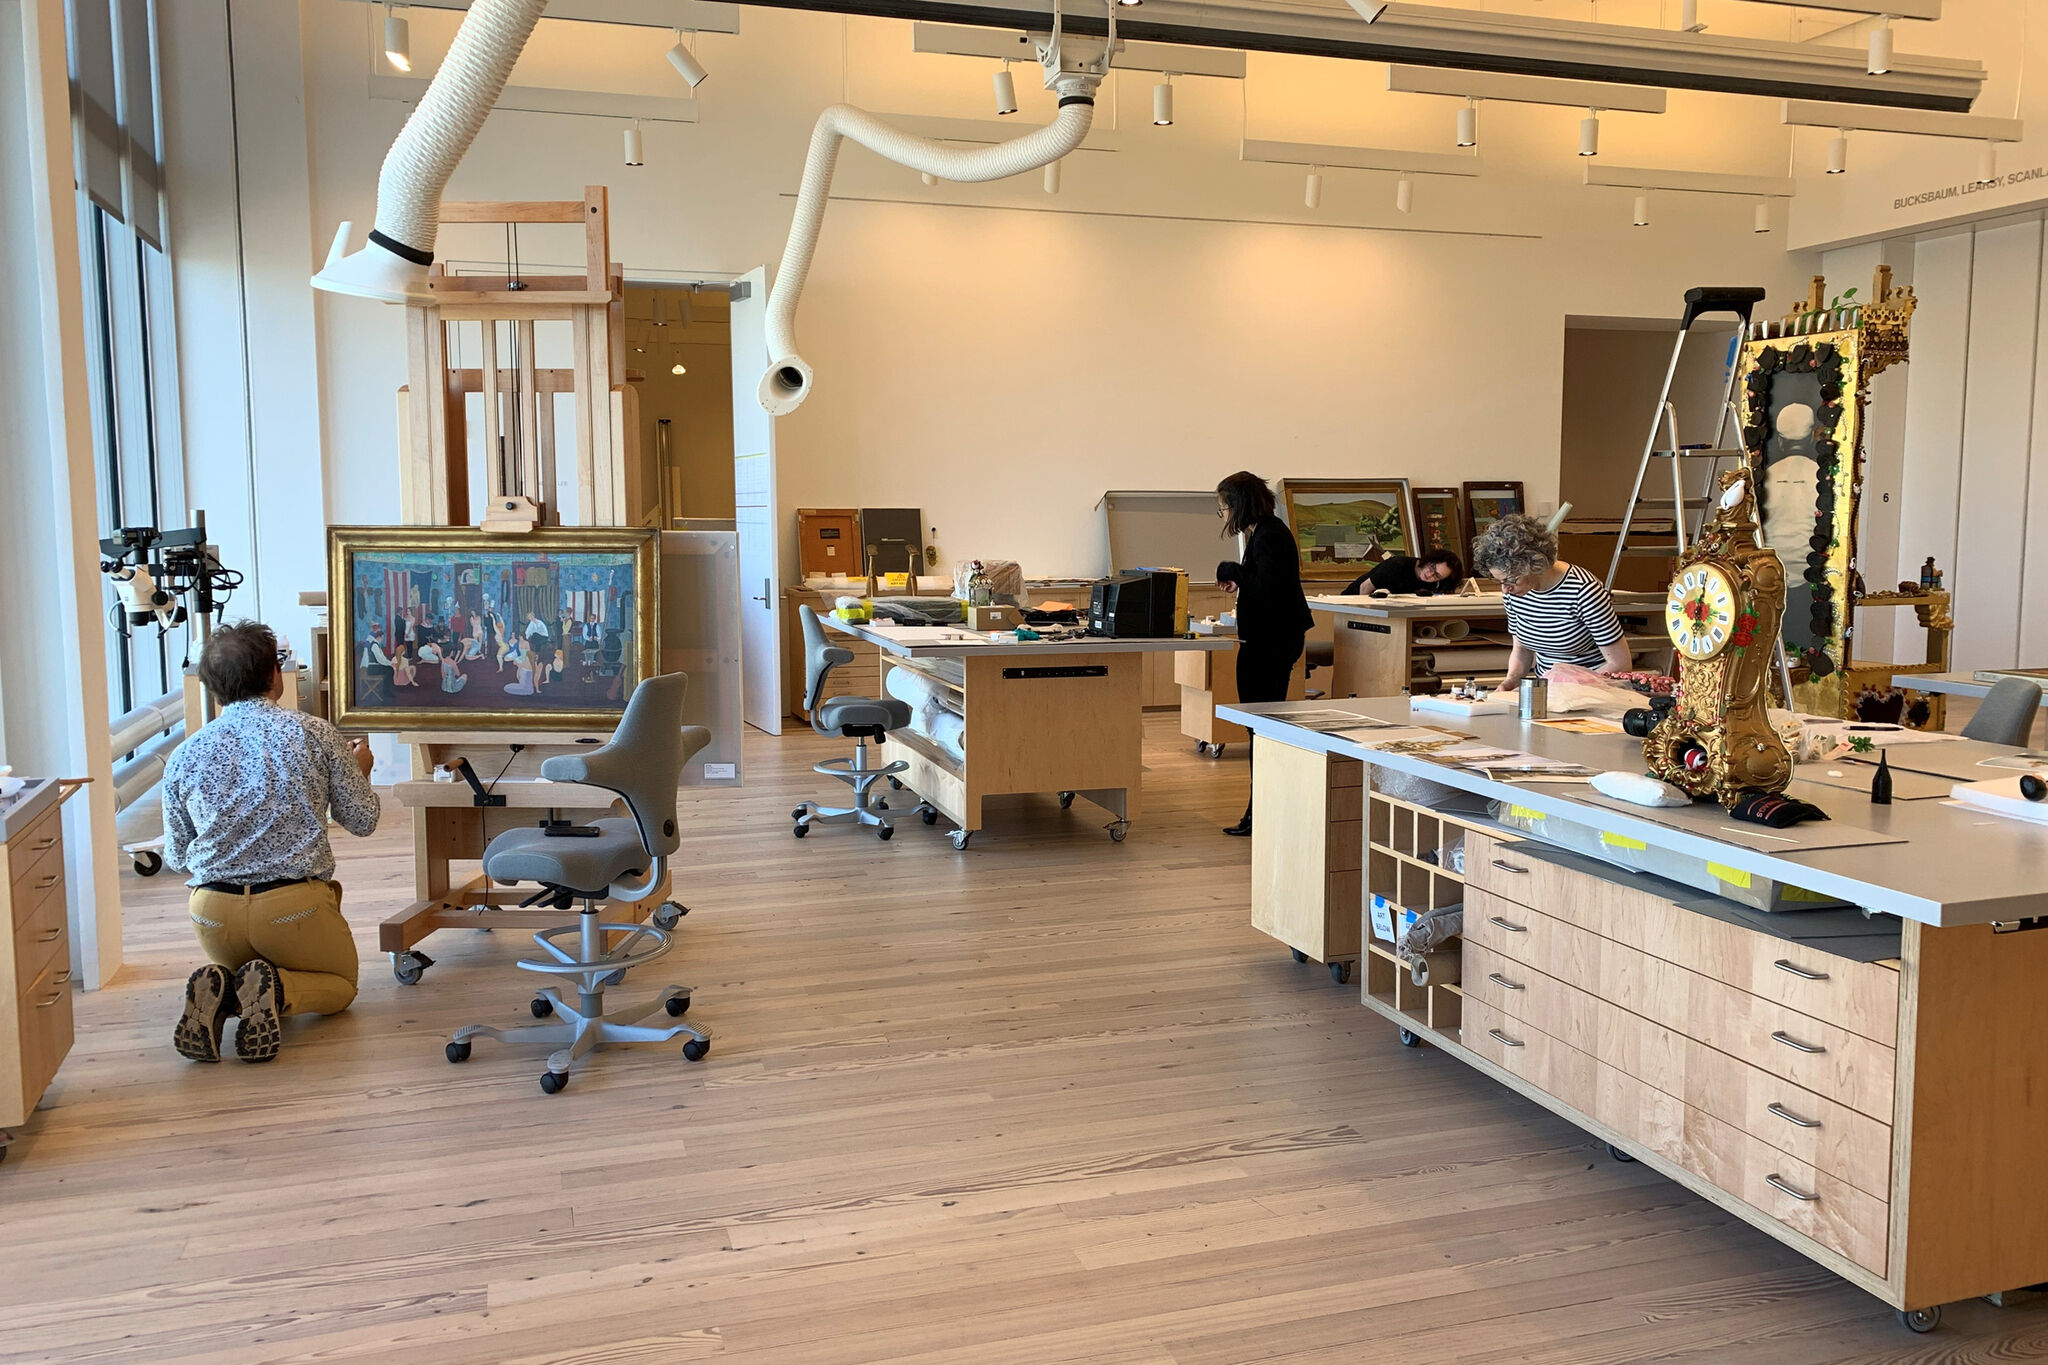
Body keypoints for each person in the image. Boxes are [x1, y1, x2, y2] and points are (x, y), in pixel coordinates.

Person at [162, 622, 380, 1063]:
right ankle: (276, 989)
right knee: (341, 987)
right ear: (274, 676)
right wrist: (362, 770)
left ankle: (225, 991)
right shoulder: (315, 733)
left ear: (212, 690)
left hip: (212, 913)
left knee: (240, 960)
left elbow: (177, 856)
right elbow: (363, 821)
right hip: (292, 908)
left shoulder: (185, 754)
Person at [1214, 470, 1314, 838]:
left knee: (1263, 727)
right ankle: (1260, 810)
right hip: (1267, 640)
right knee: (1259, 726)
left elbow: (1270, 591)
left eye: (1223, 506)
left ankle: (1263, 812)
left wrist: (1236, 571)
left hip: (1272, 642)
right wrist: (1239, 575)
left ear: (1239, 505)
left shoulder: (1270, 535)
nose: (1223, 514)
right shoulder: (1264, 532)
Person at [1468, 513, 1632, 691]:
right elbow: (1522, 649)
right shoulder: (1515, 593)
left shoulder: (1583, 590)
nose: (1505, 589)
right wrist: (1511, 681)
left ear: (1534, 565)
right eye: (1499, 581)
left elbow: (1620, 663)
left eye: (1511, 580)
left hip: (1592, 690)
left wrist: (1568, 688)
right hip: (1547, 691)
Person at [1340, 549, 1466, 597]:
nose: (1430, 574)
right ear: (1428, 560)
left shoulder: (1435, 585)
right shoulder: (1396, 566)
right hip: (1353, 599)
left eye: (1437, 576)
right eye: (1432, 567)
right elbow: (1365, 587)